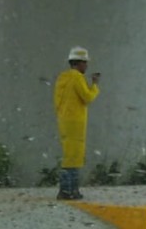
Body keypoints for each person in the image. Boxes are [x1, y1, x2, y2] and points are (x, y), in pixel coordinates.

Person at [54, 46, 100, 200]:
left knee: (69, 154)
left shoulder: (62, 77)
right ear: (79, 63)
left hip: (63, 120)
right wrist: (94, 85)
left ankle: (67, 190)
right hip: (75, 121)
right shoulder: (77, 77)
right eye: (85, 63)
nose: (86, 66)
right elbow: (87, 97)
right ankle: (69, 190)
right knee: (74, 156)